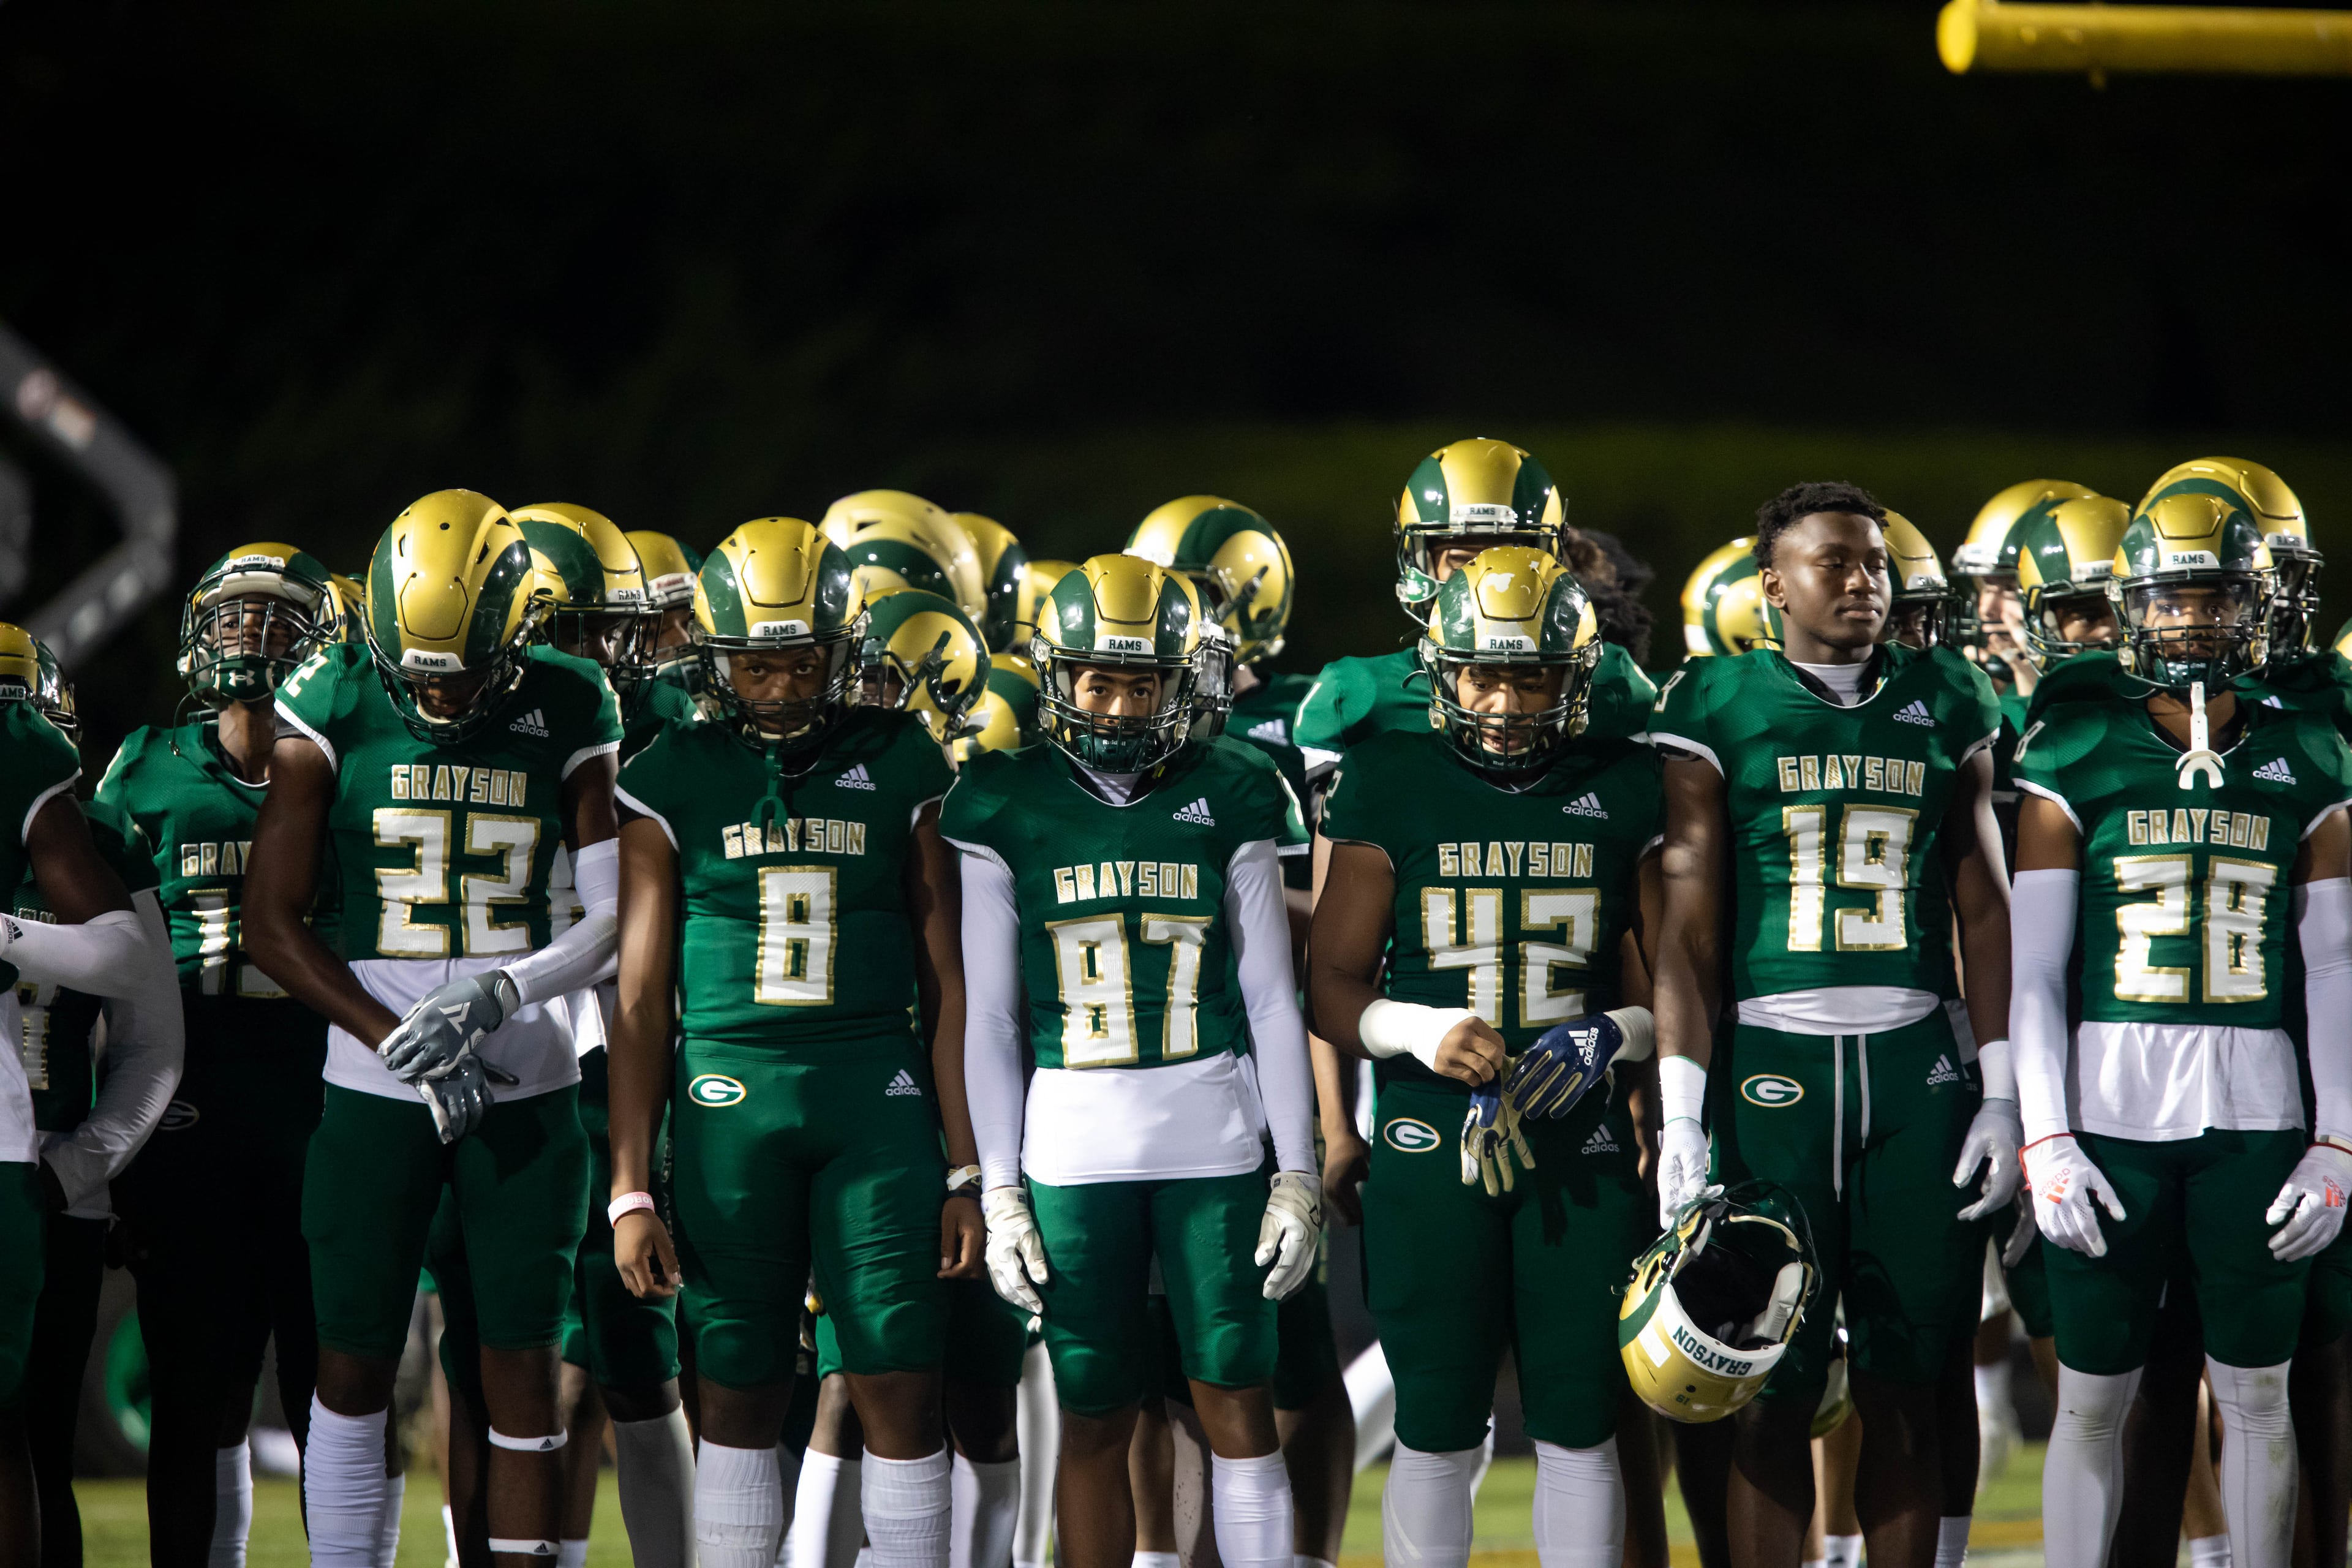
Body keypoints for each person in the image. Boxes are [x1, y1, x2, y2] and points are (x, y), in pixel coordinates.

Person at [244, 489, 622, 1567]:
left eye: (460, 666)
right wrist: (390, 1036)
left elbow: (615, 917)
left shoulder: (570, 700)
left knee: (521, 1379)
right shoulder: (333, 695)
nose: (437, 690)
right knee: (352, 1374)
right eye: (418, 667)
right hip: (373, 1093)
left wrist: (505, 992)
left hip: (528, 1081)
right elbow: (271, 923)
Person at [1649, 481, 2014, 1568]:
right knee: (1767, 1378)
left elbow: (1984, 908)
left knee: (1908, 1381)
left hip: (1917, 1067)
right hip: (1772, 1062)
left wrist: (2004, 1090)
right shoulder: (1715, 702)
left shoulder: (1948, 694)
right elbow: (1688, 932)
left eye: (1874, 563)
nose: (1863, 582)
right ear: (1774, 585)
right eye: (1835, 564)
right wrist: (1679, 1114)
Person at [605, 516, 981, 1568]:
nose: (777, 686)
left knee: (901, 1373)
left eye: (801, 660)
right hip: (729, 1100)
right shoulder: (669, 771)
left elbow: (944, 976)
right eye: (755, 663)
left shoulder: (901, 755)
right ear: (716, 658)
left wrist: (966, 1164)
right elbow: (639, 1002)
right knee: (735, 1377)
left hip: (879, 1097)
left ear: (840, 650)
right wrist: (631, 1187)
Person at [944, 553, 1320, 1568]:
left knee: (1238, 1404)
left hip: (1215, 1132)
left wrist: (1298, 1169)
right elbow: (991, 1019)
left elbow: (1272, 998)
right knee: (1095, 1412)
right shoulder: (999, 799)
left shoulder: (1236, 784)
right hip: (1072, 1141)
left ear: (1179, 684)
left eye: (1140, 682)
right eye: (1097, 680)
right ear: (1056, 676)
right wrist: (1004, 1186)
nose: (1115, 705)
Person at [2010, 488, 2352, 1568]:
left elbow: (2337, 969)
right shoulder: (2074, 746)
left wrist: (2339, 1139)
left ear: (2258, 605)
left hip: (2261, 1111)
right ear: (2130, 605)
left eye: (2214, 597)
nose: (2192, 622)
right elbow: (2034, 973)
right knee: (2092, 1403)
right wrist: (2046, 1136)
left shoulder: (2312, 755)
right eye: (2170, 598)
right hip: (2108, 1113)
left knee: (2258, 1395)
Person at [1307, 545, 1662, 1568]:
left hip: (1580, 1139)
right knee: (1436, 1413)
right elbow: (1332, 983)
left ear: (1575, 676)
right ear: (1441, 668)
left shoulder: (1626, 780)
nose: (1506, 701)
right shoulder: (1389, 774)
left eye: (1533, 675)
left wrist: (1612, 1036)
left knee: (1580, 1414)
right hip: (1429, 1133)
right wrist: (1422, 1028)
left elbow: (1665, 987)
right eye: (1484, 672)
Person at [100, 544, 345, 1567]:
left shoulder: (346, 761)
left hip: (326, 1088)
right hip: (191, 1092)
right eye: (234, 615)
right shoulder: (145, 763)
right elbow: (96, 952)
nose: (248, 635)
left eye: (274, 618)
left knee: (337, 1389)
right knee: (200, 1391)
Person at [0, 625, 173, 1563]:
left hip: (47, 1172)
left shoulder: (98, 841)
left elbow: (153, 1042)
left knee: (31, 1442)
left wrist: (83, 1168)